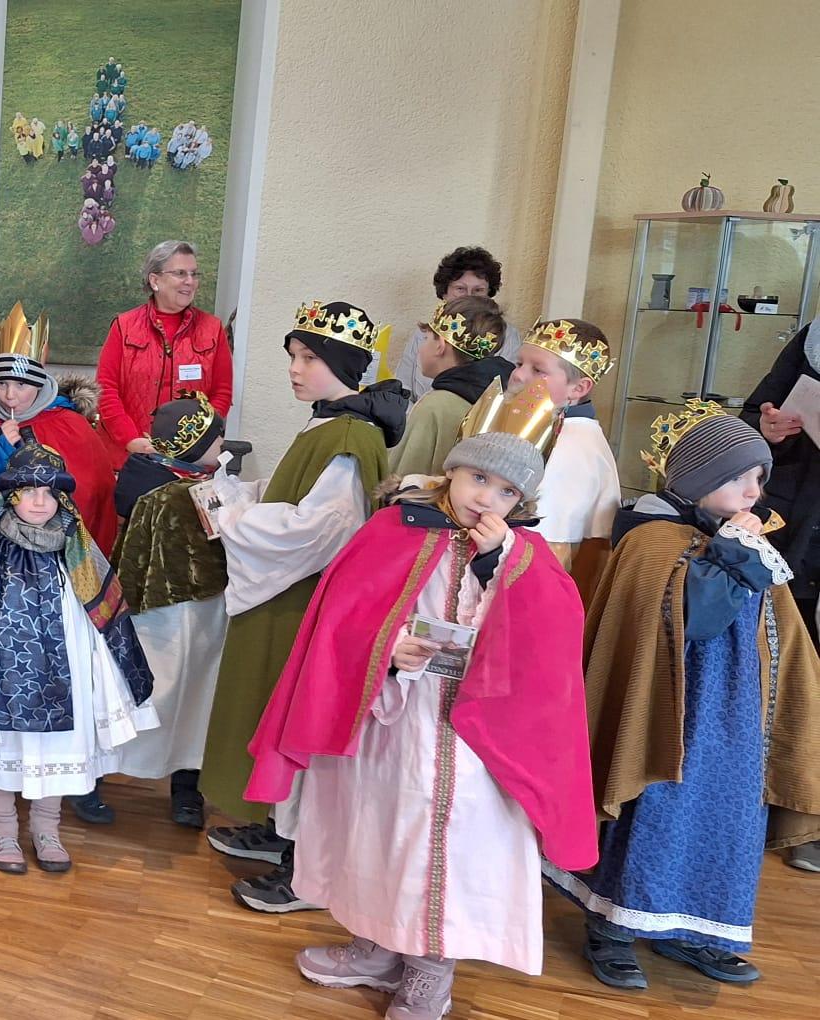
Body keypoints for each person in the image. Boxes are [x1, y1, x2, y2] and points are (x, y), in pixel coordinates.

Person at [246, 384, 596, 1019]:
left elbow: (550, 640)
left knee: (444, 846)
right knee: (378, 831)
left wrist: (503, 562)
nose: (486, 498)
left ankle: (430, 973)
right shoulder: (394, 528)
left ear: (523, 502)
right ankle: (377, 946)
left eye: (506, 491)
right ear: (452, 470)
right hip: (390, 719)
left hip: (472, 735)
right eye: (478, 477)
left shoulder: (526, 557)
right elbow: (342, 623)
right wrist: (388, 652)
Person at [555, 403, 820, 989]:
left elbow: (781, 627)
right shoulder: (652, 540)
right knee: (655, 808)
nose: (756, 490)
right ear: (701, 480)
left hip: (734, 718)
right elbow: (699, 615)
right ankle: (613, 925)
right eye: (741, 477)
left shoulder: (734, 536)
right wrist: (738, 555)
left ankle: (695, 929)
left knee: (725, 817)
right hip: (667, 712)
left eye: (760, 477)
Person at [200, 300, 406, 914]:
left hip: (305, 602)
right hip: (288, 595)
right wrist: (245, 494)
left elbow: (321, 529)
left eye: (309, 358)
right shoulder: (330, 424)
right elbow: (299, 497)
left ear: (342, 364)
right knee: (271, 710)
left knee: (296, 720)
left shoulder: (349, 434)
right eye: (292, 355)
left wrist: (234, 517)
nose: (294, 369)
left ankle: (303, 862)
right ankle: (277, 826)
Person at [0, 442, 156, 873]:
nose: (40, 502)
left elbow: (102, 603)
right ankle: (2, 828)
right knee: (3, 743)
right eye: (29, 491)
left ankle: (47, 827)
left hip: (67, 672)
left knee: (58, 747)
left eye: (50, 493)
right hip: (2, 676)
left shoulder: (76, 545)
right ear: (11, 495)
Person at [101, 391, 229, 829]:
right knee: (163, 694)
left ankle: (185, 783)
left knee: (189, 698)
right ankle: (102, 775)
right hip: (171, 615)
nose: (222, 446)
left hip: (186, 614)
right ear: (194, 445)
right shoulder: (179, 494)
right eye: (216, 439)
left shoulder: (183, 484)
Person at [740, 320, 820, 872]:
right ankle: (781, 807)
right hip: (800, 529)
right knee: (785, 667)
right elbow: (753, 416)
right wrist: (767, 428)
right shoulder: (815, 338)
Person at [0, 304, 119, 553]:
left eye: (21, 385)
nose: (10, 395)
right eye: (1, 384)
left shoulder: (71, 425)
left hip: (56, 554)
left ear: (39, 383)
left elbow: (96, 493)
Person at [95, 240, 234, 456]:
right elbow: (106, 390)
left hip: (190, 461)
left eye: (194, 274)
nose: (190, 281)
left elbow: (222, 392)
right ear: (155, 280)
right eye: (180, 273)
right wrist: (131, 439)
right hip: (128, 457)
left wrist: (197, 442)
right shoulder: (124, 326)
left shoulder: (212, 328)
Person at [507, 318, 619, 582]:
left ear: (578, 388)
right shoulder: (553, 429)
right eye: (519, 363)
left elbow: (549, 544)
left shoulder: (568, 446)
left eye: (538, 370)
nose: (519, 375)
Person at [385, 297, 511, 479]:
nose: (420, 348)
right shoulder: (497, 399)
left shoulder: (435, 407)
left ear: (440, 346)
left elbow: (403, 478)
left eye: (426, 338)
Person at [392, 246, 524, 401]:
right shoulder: (423, 334)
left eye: (478, 290)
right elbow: (401, 391)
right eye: (460, 289)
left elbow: (507, 394)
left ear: (489, 294)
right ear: (445, 292)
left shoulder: (505, 336)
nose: (469, 296)